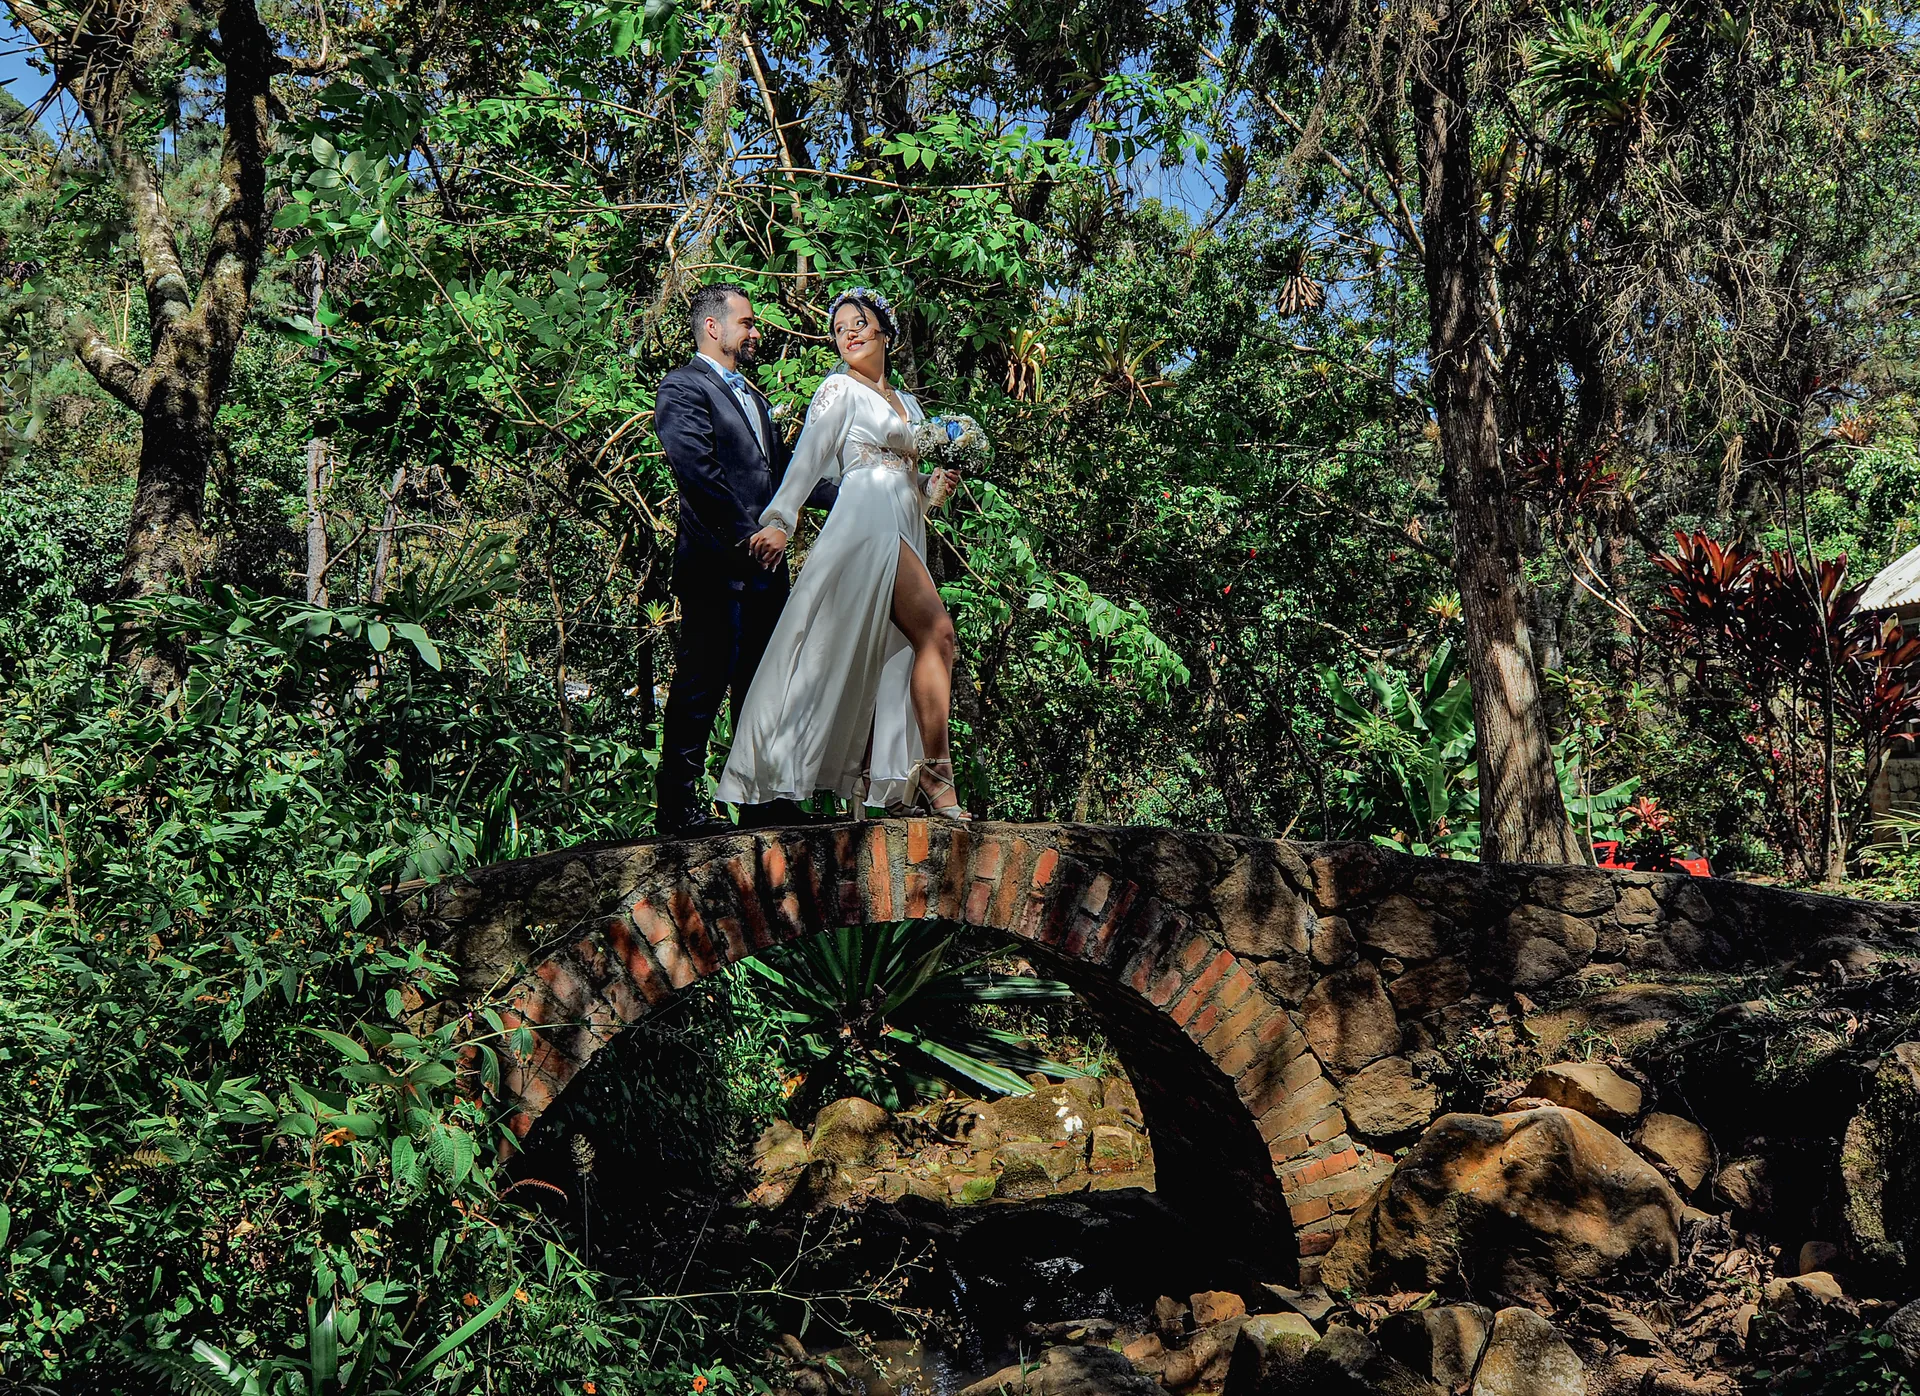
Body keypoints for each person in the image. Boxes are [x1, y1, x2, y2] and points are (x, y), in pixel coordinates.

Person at [714, 288, 969, 819]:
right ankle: (935, 773)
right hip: (866, 524)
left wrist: (931, 488)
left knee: (892, 655)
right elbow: (807, 461)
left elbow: (911, 482)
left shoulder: (910, 404)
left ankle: (888, 784)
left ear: (884, 331)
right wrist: (781, 520)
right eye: (838, 329)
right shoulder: (837, 389)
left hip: (903, 521)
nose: (847, 333)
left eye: (858, 322)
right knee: (937, 632)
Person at [654, 282, 836, 837]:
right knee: (702, 682)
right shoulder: (682, 388)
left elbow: (783, 470)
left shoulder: (754, 398)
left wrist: (862, 491)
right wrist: (748, 534)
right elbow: (698, 474)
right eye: (748, 323)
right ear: (714, 327)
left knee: (764, 688)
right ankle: (678, 808)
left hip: (765, 570)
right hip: (716, 563)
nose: (756, 332)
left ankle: (762, 803)